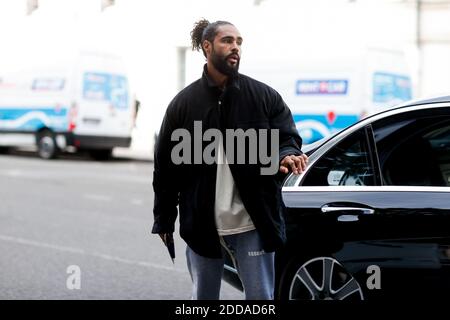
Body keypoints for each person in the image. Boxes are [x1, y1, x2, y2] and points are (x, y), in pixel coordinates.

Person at [152, 19, 308, 300]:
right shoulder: (183, 104)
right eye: (227, 41)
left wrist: (286, 155)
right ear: (207, 46)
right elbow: (165, 167)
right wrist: (163, 219)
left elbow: (287, 137)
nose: (235, 47)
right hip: (201, 224)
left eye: (239, 42)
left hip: (253, 223)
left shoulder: (264, 96)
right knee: (203, 299)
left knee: (260, 298)